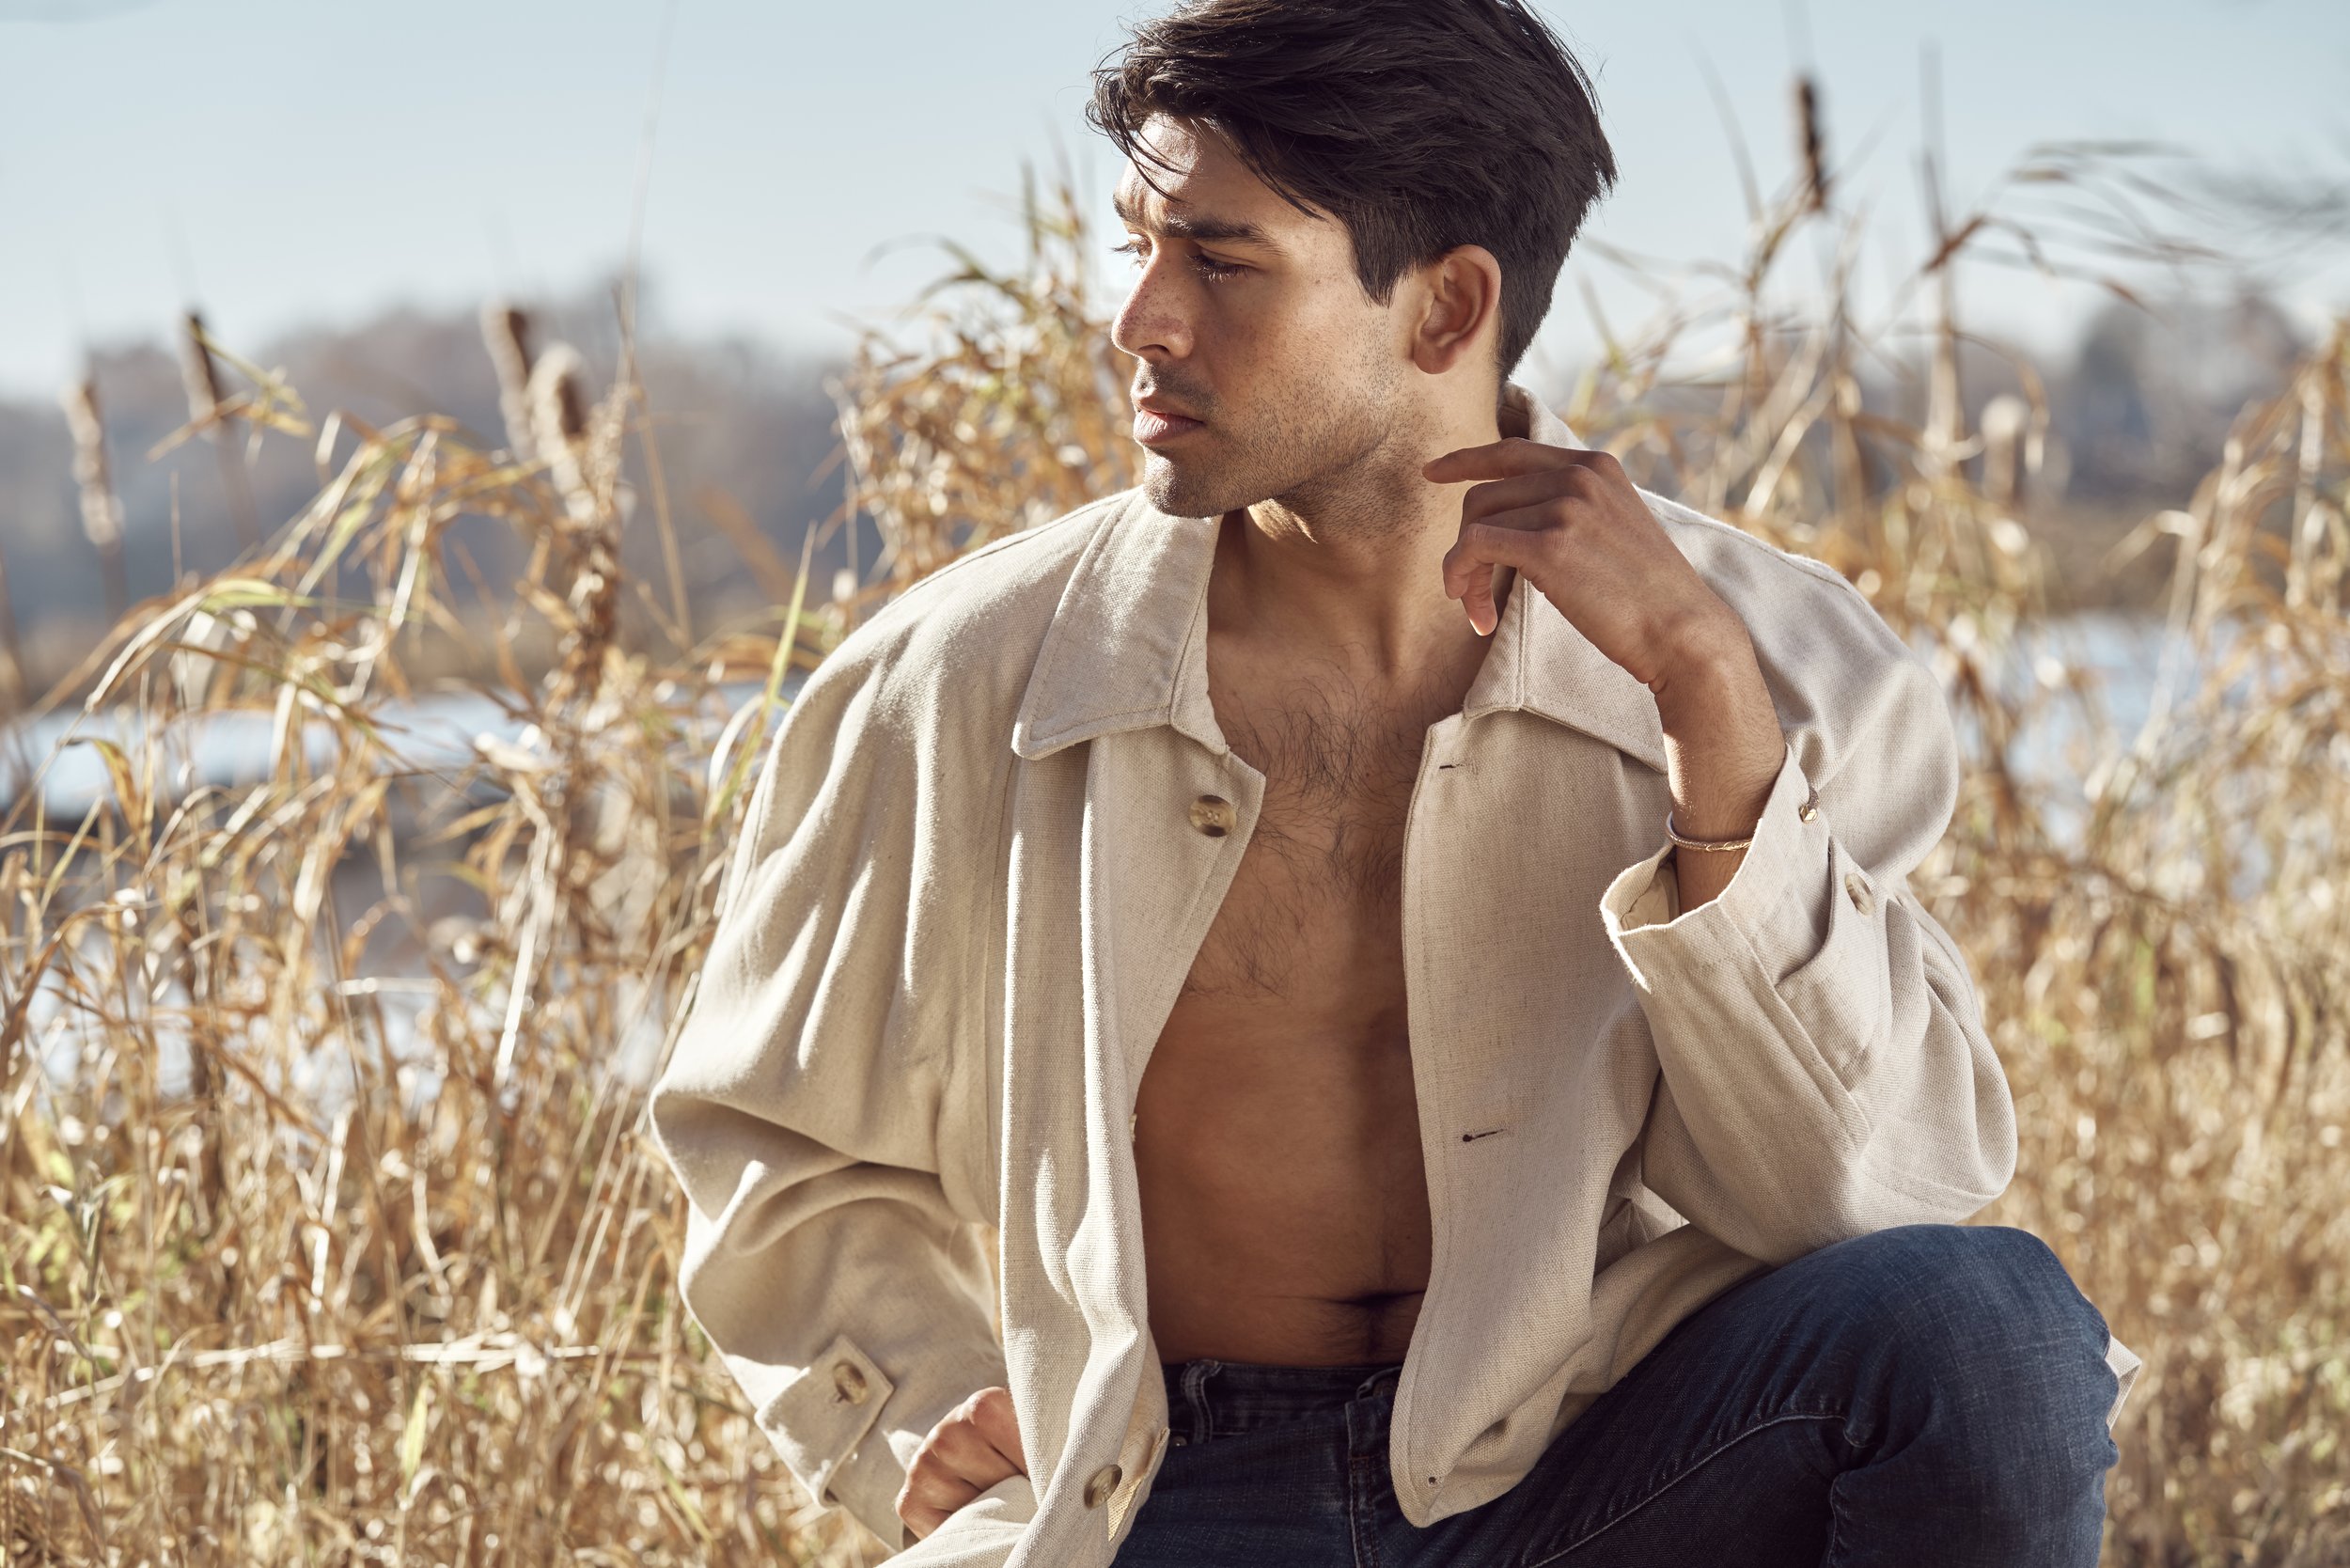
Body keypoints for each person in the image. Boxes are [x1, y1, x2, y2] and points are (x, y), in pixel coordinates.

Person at [648, 2, 2140, 1563]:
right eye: (1137, 247)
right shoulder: (962, 677)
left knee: (1989, 1329)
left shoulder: (1783, 664)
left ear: (1446, 311)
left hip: (1585, 1469)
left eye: (1220, 262)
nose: (1140, 320)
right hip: (1157, 1491)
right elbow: (772, 1136)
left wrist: (1710, 720)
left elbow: (1870, 1200)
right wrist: (923, 1408)